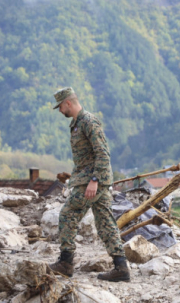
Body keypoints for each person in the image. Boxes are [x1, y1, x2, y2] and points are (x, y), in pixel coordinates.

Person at [48, 87, 130, 282]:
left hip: (92, 182)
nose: (60, 111)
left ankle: (66, 263)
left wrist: (94, 181)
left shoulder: (88, 121)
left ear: (68, 103)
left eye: (60, 106)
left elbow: (102, 153)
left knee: (68, 214)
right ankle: (121, 268)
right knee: (105, 223)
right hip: (90, 180)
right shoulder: (78, 123)